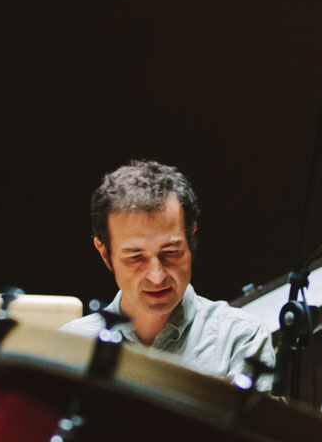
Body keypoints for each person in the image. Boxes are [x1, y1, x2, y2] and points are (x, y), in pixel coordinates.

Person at [61, 160, 272, 379]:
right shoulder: (70, 345)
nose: (156, 276)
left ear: (192, 238)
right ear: (105, 254)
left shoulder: (240, 338)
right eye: (136, 257)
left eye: (170, 252)